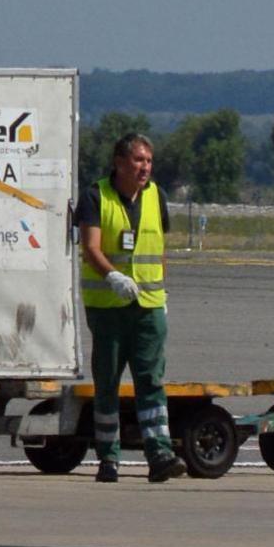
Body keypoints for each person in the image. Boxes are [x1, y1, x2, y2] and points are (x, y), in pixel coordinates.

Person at [74, 131, 182, 483]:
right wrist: (112, 276)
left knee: (151, 381)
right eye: (138, 160)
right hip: (108, 307)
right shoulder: (96, 196)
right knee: (107, 382)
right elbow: (91, 247)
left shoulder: (156, 196)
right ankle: (108, 458)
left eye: (149, 161)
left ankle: (160, 454)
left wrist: (162, 293)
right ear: (119, 162)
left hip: (149, 306)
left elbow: (159, 249)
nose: (145, 167)